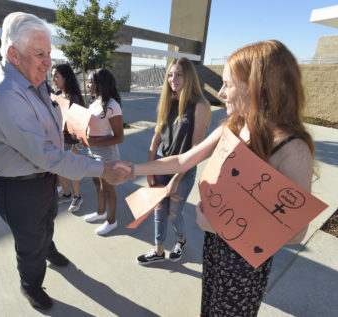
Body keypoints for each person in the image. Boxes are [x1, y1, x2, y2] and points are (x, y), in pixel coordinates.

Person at [120, 40, 314, 316]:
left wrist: (222, 226)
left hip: (244, 267)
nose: (221, 93)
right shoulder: (233, 126)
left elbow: (296, 232)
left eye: (228, 84)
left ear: (257, 86)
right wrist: (131, 169)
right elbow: (183, 159)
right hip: (215, 248)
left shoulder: (292, 149)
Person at [0, 12, 130, 311]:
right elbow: (46, 154)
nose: (48, 62)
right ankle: (31, 284)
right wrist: (103, 169)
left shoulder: (28, 77)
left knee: (46, 224)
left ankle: (49, 249)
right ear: (13, 54)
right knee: (29, 240)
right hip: (17, 187)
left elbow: (48, 117)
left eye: (49, 53)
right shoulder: (5, 93)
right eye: (40, 54)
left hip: (42, 177)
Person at [136, 57, 211, 265]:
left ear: (189, 77)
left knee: (174, 212)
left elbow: (196, 149)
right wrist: (150, 170)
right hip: (161, 164)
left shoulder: (200, 105)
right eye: (170, 74)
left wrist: (176, 178)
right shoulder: (167, 102)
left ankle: (180, 240)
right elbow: (155, 140)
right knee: (159, 209)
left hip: (184, 169)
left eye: (178, 74)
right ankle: (159, 250)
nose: (173, 79)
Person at [83, 69, 124, 235]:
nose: (88, 85)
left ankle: (111, 221)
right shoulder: (94, 101)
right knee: (97, 183)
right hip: (92, 150)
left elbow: (119, 137)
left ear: (101, 84)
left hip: (106, 153)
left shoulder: (112, 106)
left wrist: (93, 141)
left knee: (108, 188)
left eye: (91, 82)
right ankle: (101, 212)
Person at [52, 64, 85, 212]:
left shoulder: (74, 98)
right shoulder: (57, 95)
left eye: (56, 76)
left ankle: (77, 197)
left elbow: (76, 122)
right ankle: (66, 194)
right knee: (59, 169)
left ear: (65, 78)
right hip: (58, 139)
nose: (54, 79)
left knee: (71, 169)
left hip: (70, 141)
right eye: (53, 76)